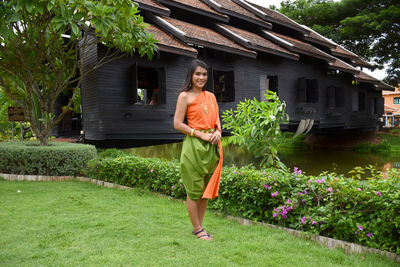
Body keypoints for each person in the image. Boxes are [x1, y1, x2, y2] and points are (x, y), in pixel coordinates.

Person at [173, 59, 223, 240]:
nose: (201, 77)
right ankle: (197, 228)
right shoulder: (184, 96)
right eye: (197, 74)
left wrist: (218, 131)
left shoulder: (211, 96)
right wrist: (200, 134)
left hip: (212, 147)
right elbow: (177, 124)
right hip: (194, 146)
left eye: (204, 74)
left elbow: (217, 119)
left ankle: (200, 226)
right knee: (194, 189)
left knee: (205, 190)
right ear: (191, 76)